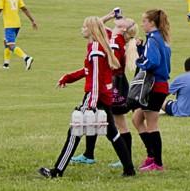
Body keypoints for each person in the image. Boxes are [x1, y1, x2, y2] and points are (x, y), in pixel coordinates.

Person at [38, 17, 136, 178]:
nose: (81, 29)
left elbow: (96, 77)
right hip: (102, 96)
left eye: (84, 27)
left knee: (75, 131)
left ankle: (57, 171)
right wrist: (68, 78)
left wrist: (90, 103)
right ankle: (129, 169)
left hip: (94, 95)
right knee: (113, 133)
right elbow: (88, 71)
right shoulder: (96, 47)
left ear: (91, 29)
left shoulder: (96, 49)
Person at [132, 9, 172, 172]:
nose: (142, 24)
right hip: (160, 84)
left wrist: (140, 61)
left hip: (155, 85)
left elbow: (153, 61)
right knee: (136, 119)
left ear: (152, 23)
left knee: (152, 123)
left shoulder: (154, 39)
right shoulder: (160, 39)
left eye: (144, 21)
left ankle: (157, 162)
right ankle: (151, 155)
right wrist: (142, 49)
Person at [0, 0, 37, 70]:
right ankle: (6, 64)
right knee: (6, 42)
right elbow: (24, 9)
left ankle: (27, 58)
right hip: (17, 24)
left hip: (9, 25)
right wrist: (32, 20)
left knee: (11, 45)